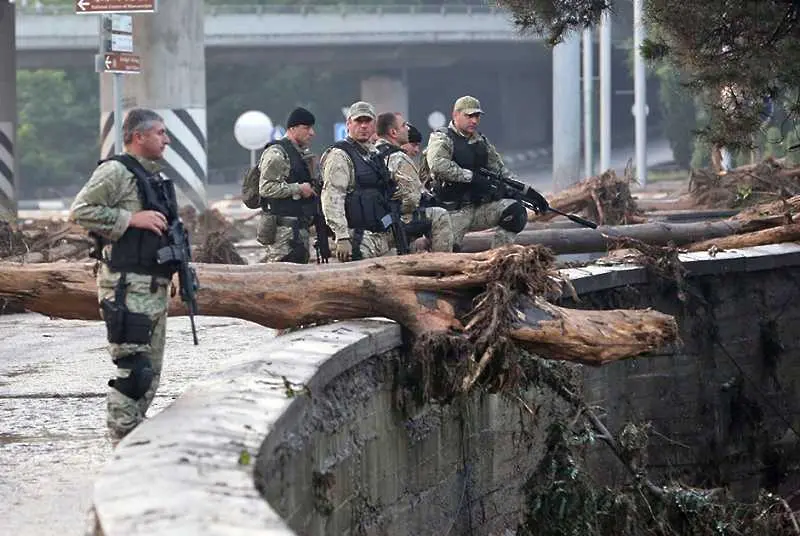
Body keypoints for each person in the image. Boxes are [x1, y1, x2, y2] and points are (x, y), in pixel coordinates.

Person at [69, 108, 175, 444]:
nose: (167, 139)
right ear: (138, 136)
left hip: (152, 285)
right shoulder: (116, 171)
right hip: (126, 287)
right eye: (160, 132)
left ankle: (134, 441)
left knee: (152, 375)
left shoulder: (152, 177)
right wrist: (131, 219)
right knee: (135, 372)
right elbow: (81, 211)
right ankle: (120, 446)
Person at [426, 95, 536, 250]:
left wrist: (524, 190)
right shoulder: (442, 138)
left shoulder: (480, 141)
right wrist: (472, 178)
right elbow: (438, 165)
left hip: (478, 209)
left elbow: (500, 170)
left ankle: (498, 260)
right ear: (455, 115)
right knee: (445, 260)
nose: (474, 121)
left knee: (516, 212)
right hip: (451, 213)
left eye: (477, 116)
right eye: (469, 116)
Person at [320, 101, 393, 261]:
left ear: (374, 125)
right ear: (348, 124)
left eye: (368, 121)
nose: (364, 126)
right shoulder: (340, 156)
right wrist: (342, 236)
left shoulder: (374, 155)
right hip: (356, 237)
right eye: (359, 121)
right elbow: (332, 198)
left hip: (379, 233)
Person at [375, 111, 453, 252]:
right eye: (404, 125)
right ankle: (443, 266)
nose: (407, 128)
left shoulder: (372, 153)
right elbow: (412, 199)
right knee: (439, 215)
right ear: (393, 132)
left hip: (377, 220)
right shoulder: (399, 158)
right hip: (395, 221)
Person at [257, 107, 318, 263]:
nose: (311, 133)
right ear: (292, 128)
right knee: (280, 278)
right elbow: (266, 188)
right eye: (306, 128)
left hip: (298, 230)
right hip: (282, 234)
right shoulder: (277, 153)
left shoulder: (300, 154)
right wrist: (298, 188)